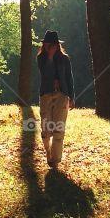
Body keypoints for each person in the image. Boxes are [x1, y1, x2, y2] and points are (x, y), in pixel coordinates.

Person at [37, 29, 74, 169]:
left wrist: (72, 97)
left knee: (59, 129)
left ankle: (55, 161)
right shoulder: (41, 59)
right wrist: (50, 57)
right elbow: (46, 75)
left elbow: (69, 79)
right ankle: (48, 151)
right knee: (46, 129)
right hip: (46, 95)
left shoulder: (65, 59)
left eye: (51, 44)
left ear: (57, 45)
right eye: (46, 45)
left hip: (62, 95)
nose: (48, 47)